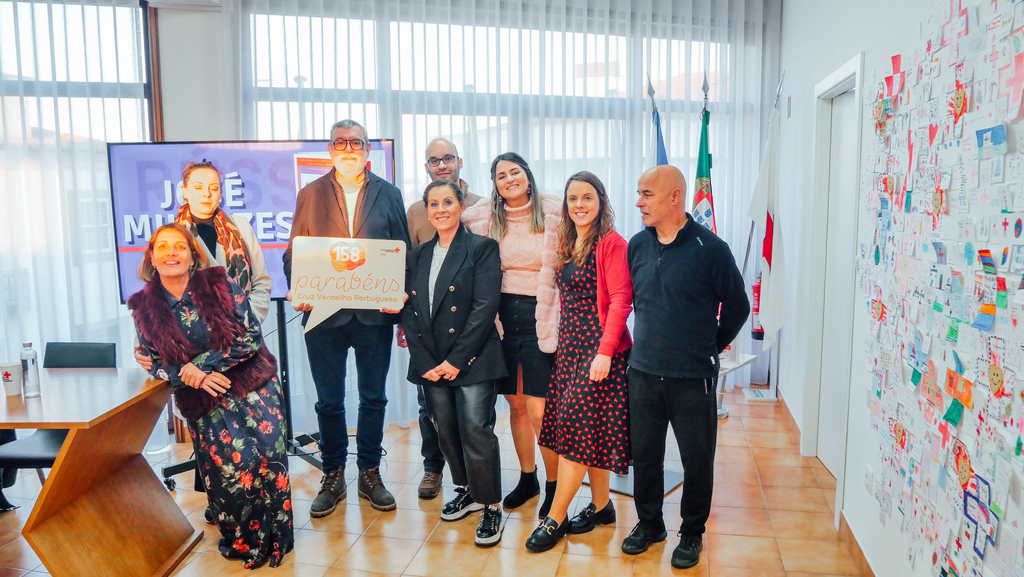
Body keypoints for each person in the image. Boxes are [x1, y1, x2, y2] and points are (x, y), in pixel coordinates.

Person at [127, 223, 293, 569]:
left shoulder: (219, 283)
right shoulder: (143, 307)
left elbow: (249, 336)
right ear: (152, 259)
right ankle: (244, 542)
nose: (171, 253)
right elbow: (153, 362)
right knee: (230, 474)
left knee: (268, 461)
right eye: (162, 247)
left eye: (179, 246)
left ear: (192, 256)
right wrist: (194, 377)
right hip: (204, 401)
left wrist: (199, 366)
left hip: (253, 385)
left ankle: (277, 539)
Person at [620, 165, 749, 569]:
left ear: (674, 196)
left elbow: (738, 307)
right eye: (639, 193)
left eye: (647, 194)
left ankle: (692, 532)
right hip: (643, 372)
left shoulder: (711, 249)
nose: (638, 202)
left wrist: (709, 347)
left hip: (693, 378)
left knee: (696, 460)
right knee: (645, 456)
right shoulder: (637, 246)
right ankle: (650, 523)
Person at [283, 119, 412, 516]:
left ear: (368, 149)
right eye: (340, 142)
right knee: (329, 401)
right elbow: (294, 253)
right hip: (323, 316)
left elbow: (403, 251)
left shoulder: (389, 194)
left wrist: (401, 297)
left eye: (356, 142)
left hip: (375, 314)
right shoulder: (310, 193)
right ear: (330, 150)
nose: (348, 148)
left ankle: (370, 473)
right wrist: (298, 286)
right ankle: (333, 474)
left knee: (374, 398)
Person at [134, 160, 273, 523]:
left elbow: (261, 281)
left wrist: (243, 324)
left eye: (213, 187)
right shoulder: (173, 236)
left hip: (241, 348)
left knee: (252, 436)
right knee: (213, 435)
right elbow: (159, 297)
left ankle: (252, 504)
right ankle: (222, 500)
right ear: (184, 190)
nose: (206, 194)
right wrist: (149, 349)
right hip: (195, 355)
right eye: (198, 187)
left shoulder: (241, 227)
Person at [389, 179, 508, 546]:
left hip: (473, 357)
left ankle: (491, 505)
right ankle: (468, 491)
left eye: (448, 202)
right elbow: (410, 310)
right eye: (434, 204)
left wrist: (457, 360)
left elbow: (485, 308)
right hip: (431, 360)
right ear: (427, 211)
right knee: (445, 429)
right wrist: (425, 360)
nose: (441, 209)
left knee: (475, 430)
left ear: (461, 207)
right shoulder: (417, 255)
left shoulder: (482, 248)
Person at [526, 172, 632, 552]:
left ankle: (555, 518)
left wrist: (604, 352)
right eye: (572, 198)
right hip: (570, 350)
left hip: (598, 352)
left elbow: (621, 300)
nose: (579, 205)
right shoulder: (569, 241)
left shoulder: (612, 244)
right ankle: (602, 507)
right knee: (592, 433)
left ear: (601, 201)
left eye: (587, 197)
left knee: (575, 435)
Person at [463, 152, 562, 517]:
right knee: (516, 406)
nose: (509, 179)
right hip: (501, 318)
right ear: (495, 184)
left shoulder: (553, 212)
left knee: (539, 409)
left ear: (528, 176)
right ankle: (528, 477)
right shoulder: (483, 218)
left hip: (541, 315)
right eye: (501, 175)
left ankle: (555, 486)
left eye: (515, 172)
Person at [403, 137, 485, 499]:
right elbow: (406, 271)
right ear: (426, 166)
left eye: (447, 158)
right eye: (434, 160)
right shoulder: (415, 212)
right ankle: (434, 468)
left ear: (460, 161)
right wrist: (405, 326)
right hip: (428, 328)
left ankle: (477, 482)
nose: (441, 165)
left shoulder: (483, 205)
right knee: (431, 408)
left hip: (472, 326)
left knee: (474, 414)